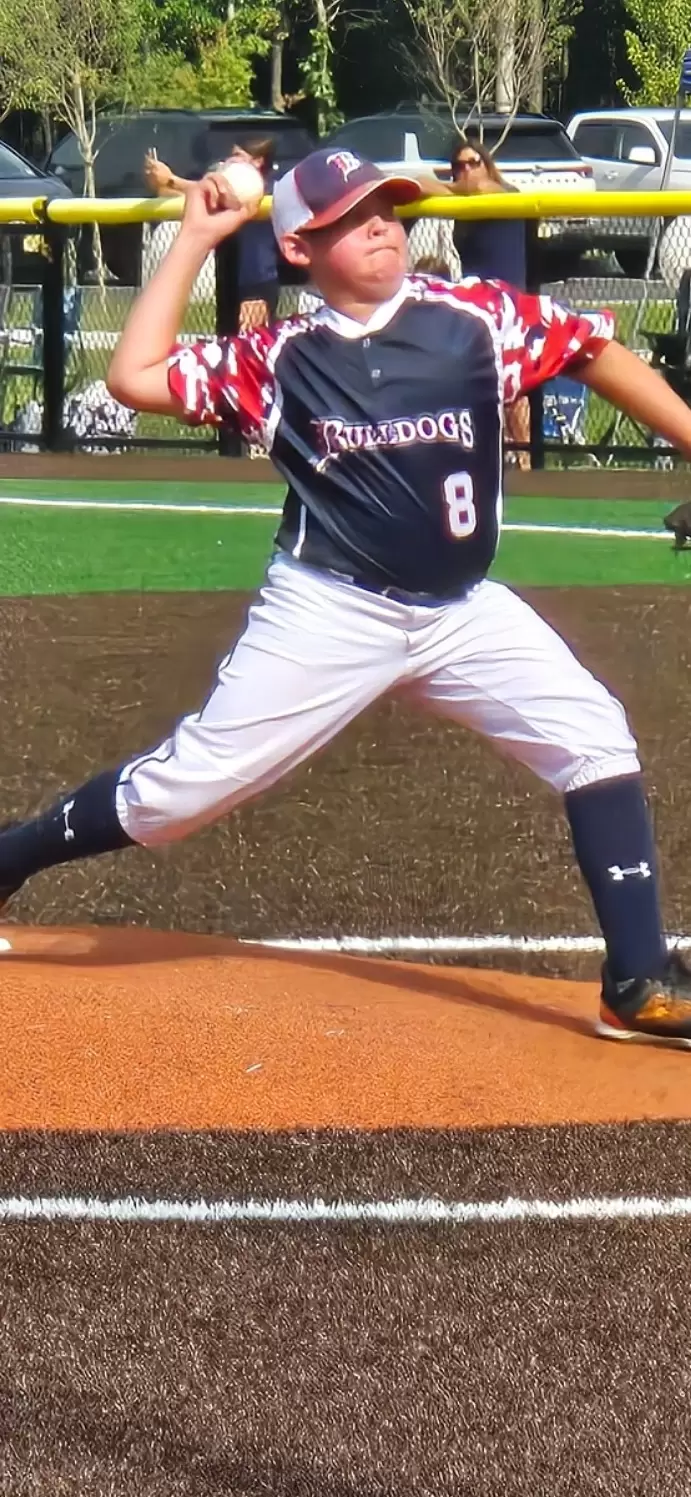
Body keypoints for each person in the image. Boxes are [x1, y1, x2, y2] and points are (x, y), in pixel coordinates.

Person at [2, 145, 691, 1047]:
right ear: (299, 248)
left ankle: (637, 980)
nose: (379, 227)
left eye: (386, 210)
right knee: (179, 796)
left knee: (593, 734)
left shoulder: (474, 319)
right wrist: (195, 238)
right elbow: (134, 377)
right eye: (349, 218)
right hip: (331, 609)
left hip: (462, 611)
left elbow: (591, 349)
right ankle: (10, 855)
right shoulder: (281, 358)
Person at [450, 136, 531, 467]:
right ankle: (492, 455)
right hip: (476, 305)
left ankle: (526, 461)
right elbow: (421, 183)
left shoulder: (501, 193)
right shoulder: (462, 207)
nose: (467, 170)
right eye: (459, 166)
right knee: (481, 381)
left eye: (474, 162)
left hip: (509, 302)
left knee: (514, 385)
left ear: (487, 164)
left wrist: (451, 188)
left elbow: (481, 188)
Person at [144, 137, 280, 332]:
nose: (230, 161)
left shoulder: (264, 188)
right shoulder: (228, 189)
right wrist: (161, 183)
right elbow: (189, 195)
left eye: (237, 156)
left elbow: (231, 194)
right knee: (226, 339)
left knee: (253, 344)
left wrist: (172, 180)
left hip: (255, 286)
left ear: (258, 161)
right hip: (228, 280)